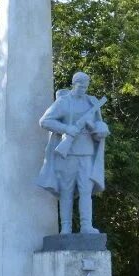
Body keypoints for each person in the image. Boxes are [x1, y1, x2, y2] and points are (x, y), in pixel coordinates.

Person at [38, 71, 109, 234]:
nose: (83, 89)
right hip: (67, 153)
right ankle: (66, 227)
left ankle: (86, 226)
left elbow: (100, 126)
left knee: (86, 191)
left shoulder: (92, 102)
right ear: (73, 84)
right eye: (80, 85)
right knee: (66, 191)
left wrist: (94, 127)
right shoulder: (63, 102)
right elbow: (45, 121)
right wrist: (66, 128)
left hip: (87, 152)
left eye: (86, 86)